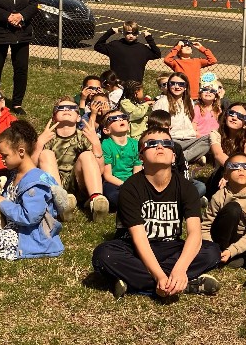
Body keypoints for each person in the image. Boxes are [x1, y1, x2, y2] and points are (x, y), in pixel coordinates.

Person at [92, 127, 222, 298]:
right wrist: (159, 275)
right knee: (104, 255)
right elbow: (139, 238)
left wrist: (180, 268)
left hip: (171, 247)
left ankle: (136, 283)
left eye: (167, 144)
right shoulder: (130, 188)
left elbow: (194, 233)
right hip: (136, 248)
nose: (160, 147)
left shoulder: (186, 187)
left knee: (212, 252)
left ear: (174, 155)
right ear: (141, 156)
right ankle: (183, 284)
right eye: (152, 144)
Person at [0, 120, 65, 259]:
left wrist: (2, 204)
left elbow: (30, 217)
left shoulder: (36, 183)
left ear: (21, 151)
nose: (2, 160)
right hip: (13, 227)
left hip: (29, 237)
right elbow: (9, 200)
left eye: (5, 155)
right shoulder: (14, 175)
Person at [34, 98, 109, 221]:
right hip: (54, 185)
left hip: (79, 184)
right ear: (54, 117)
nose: (67, 110)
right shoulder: (47, 137)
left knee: (87, 155)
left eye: (72, 108)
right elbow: (31, 168)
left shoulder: (85, 136)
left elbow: (100, 170)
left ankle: (97, 201)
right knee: (46, 153)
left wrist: (96, 143)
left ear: (79, 117)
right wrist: (39, 144)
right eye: (61, 108)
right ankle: (61, 202)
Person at [201, 154, 246, 270]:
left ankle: (231, 256)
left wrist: (232, 250)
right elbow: (206, 226)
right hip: (221, 234)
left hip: (242, 236)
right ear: (226, 176)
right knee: (233, 208)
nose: (241, 169)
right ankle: (220, 253)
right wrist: (211, 246)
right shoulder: (219, 196)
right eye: (235, 166)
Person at [151, 71, 210, 163]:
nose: (177, 87)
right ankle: (189, 156)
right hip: (172, 139)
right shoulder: (162, 102)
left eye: (181, 84)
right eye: (173, 83)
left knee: (211, 138)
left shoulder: (189, 101)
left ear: (186, 86)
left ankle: (181, 157)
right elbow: (155, 125)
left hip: (190, 139)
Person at [206, 102, 246, 197]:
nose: (234, 118)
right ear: (226, 116)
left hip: (242, 172)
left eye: (240, 116)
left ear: (245, 124)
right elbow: (218, 154)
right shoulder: (216, 133)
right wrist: (230, 172)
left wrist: (234, 172)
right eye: (231, 113)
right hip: (221, 173)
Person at [101, 108, 143, 210]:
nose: (121, 120)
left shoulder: (135, 144)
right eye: (114, 119)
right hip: (113, 182)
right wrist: (125, 185)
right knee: (113, 195)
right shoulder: (106, 145)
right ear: (107, 130)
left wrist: (132, 185)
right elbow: (107, 175)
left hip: (132, 181)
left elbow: (137, 171)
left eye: (123, 117)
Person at [94, 21, 161, 83]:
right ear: (123, 33)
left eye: (134, 33)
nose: (131, 36)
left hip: (135, 84)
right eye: (128, 33)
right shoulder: (115, 46)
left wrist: (149, 39)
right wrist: (110, 32)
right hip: (117, 83)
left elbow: (157, 54)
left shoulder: (142, 49)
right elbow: (98, 46)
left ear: (138, 34)